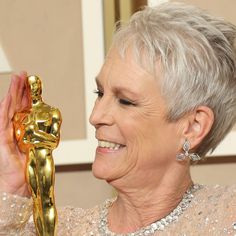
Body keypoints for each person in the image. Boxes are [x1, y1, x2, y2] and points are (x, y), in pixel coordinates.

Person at [0, 2, 236, 235]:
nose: (96, 116)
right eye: (100, 93)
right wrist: (12, 191)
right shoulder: (60, 229)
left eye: (125, 101)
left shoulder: (227, 219)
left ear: (193, 126)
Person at [13, 75, 61, 235]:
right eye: (30, 86)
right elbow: (21, 142)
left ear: (41, 87)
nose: (34, 89)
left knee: (47, 199)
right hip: (31, 158)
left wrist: (35, 134)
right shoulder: (21, 115)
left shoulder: (50, 112)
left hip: (44, 157)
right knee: (36, 200)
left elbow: (54, 141)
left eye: (36, 85)